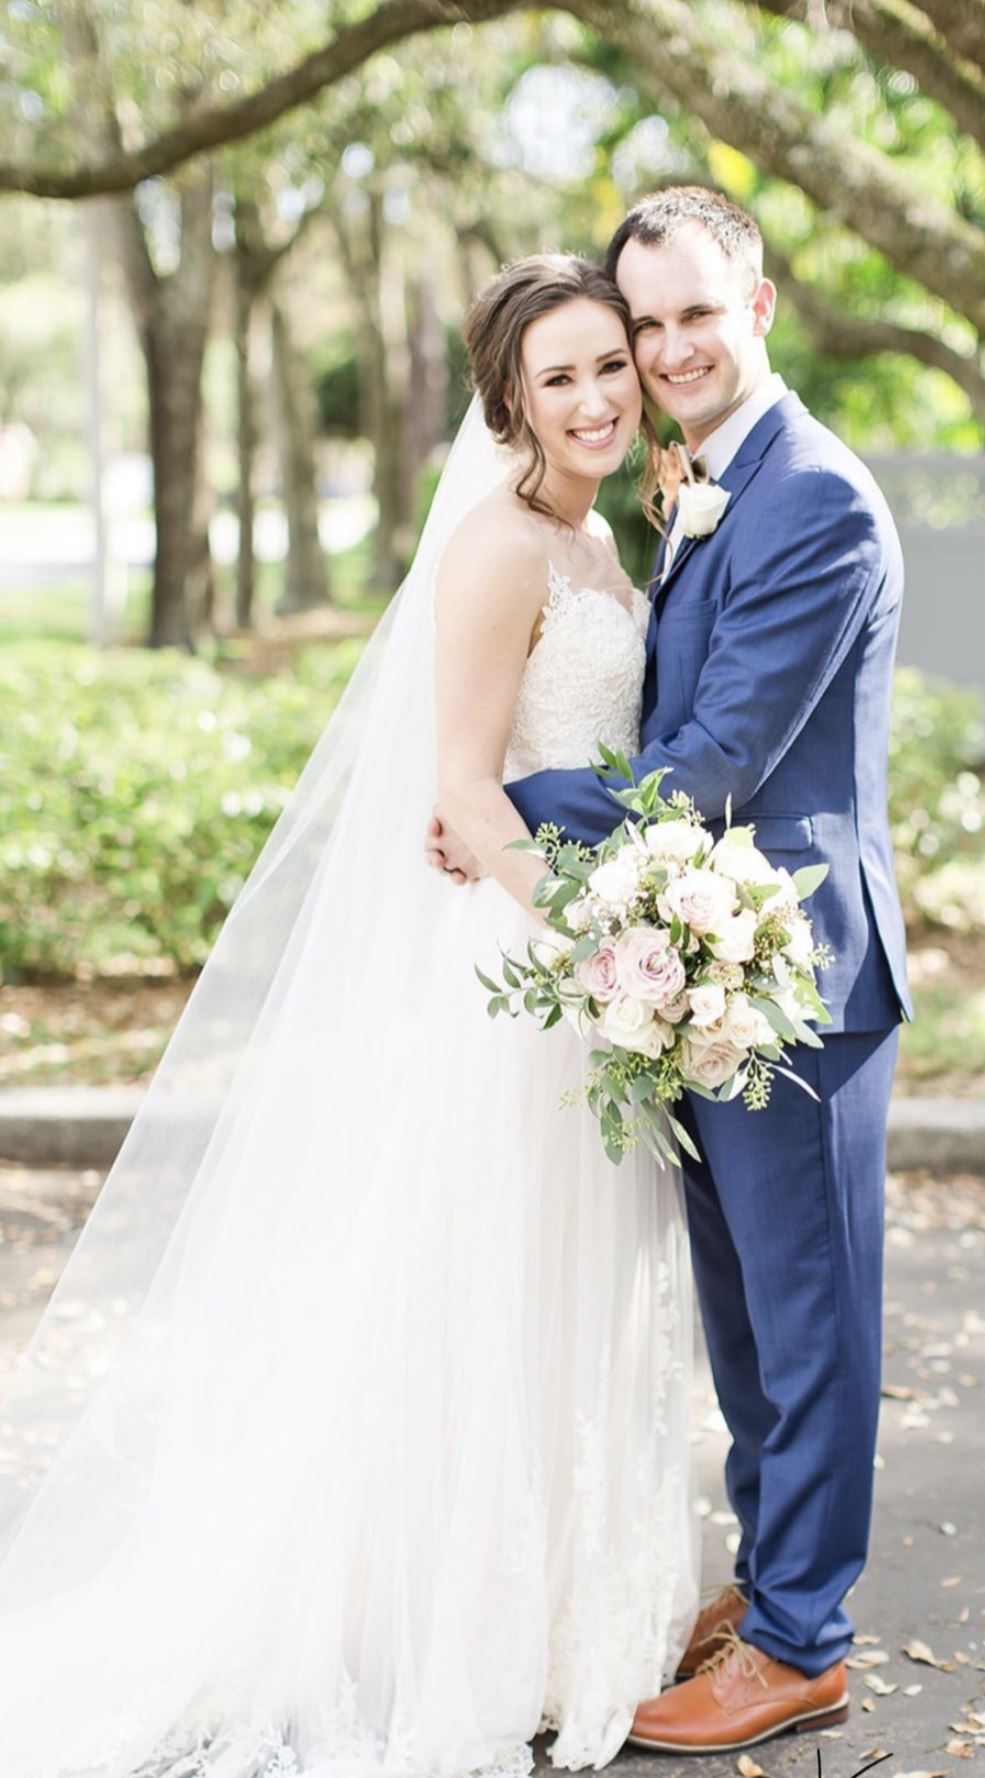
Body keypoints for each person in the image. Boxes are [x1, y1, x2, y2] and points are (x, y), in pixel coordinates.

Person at [0, 256, 699, 1778]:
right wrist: (600, 943)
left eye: (607, 365)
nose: (590, 397)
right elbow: (457, 787)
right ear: (508, 399)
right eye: (556, 376)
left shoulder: (607, 538)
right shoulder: (501, 547)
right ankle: (430, 1629)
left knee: (569, 1292)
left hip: (597, 970)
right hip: (526, 981)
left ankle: (557, 1609)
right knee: (479, 1291)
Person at [428, 186, 913, 1754]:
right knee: (747, 1315)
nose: (666, 347)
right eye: (646, 324)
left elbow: (709, 761)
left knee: (806, 1313)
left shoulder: (812, 497)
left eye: (695, 312)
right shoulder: (701, 485)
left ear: (757, 305)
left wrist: (516, 805)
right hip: (696, 963)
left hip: (794, 976)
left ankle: (801, 1639)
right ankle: (774, 1584)